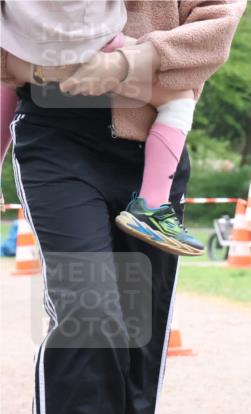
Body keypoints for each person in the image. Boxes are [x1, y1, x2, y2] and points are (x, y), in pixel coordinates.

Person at [4, 0, 245, 414]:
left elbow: (217, 30)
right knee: (90, 313)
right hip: (57, 135)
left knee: (137, 337)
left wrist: (130, 63)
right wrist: (37, 64)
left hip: (153, 142)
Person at [1, 0, 204, 256]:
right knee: (179, 98)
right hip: (97, 45)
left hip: (32, 49)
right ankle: (152, 205)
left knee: (9, 82)